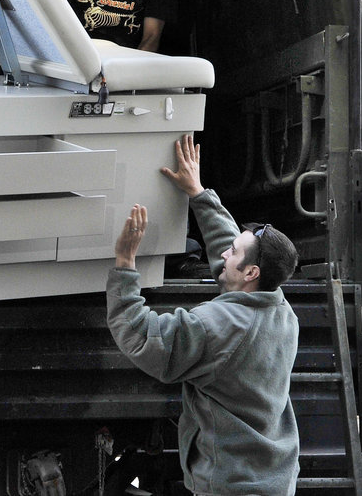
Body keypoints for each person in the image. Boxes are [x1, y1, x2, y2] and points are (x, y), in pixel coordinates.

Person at [106, 134, 300, 496]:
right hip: (274, 479)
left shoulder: (216, 327)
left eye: (234, 252)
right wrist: (199, 194)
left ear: (251, 273)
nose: (224, 254)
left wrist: (124, 263)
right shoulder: (280, 307)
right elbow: (234, 250)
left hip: (230, 486)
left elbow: (137, 333)